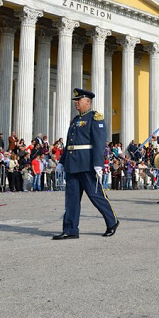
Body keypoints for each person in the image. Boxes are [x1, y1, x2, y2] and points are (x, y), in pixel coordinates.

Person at [53, 88, 118, 240]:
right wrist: (62, 162)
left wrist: (98, 163)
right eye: (75, 101)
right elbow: (70, 143)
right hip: (72, 165)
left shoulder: (95, 118)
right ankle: (70, 229)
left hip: (87, 164)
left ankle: (112, 221)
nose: (76, 103)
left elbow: (99, 142)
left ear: (87, 102)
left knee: (96, 196)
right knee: (71, 199)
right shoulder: (75, 121)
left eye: (79, 100)